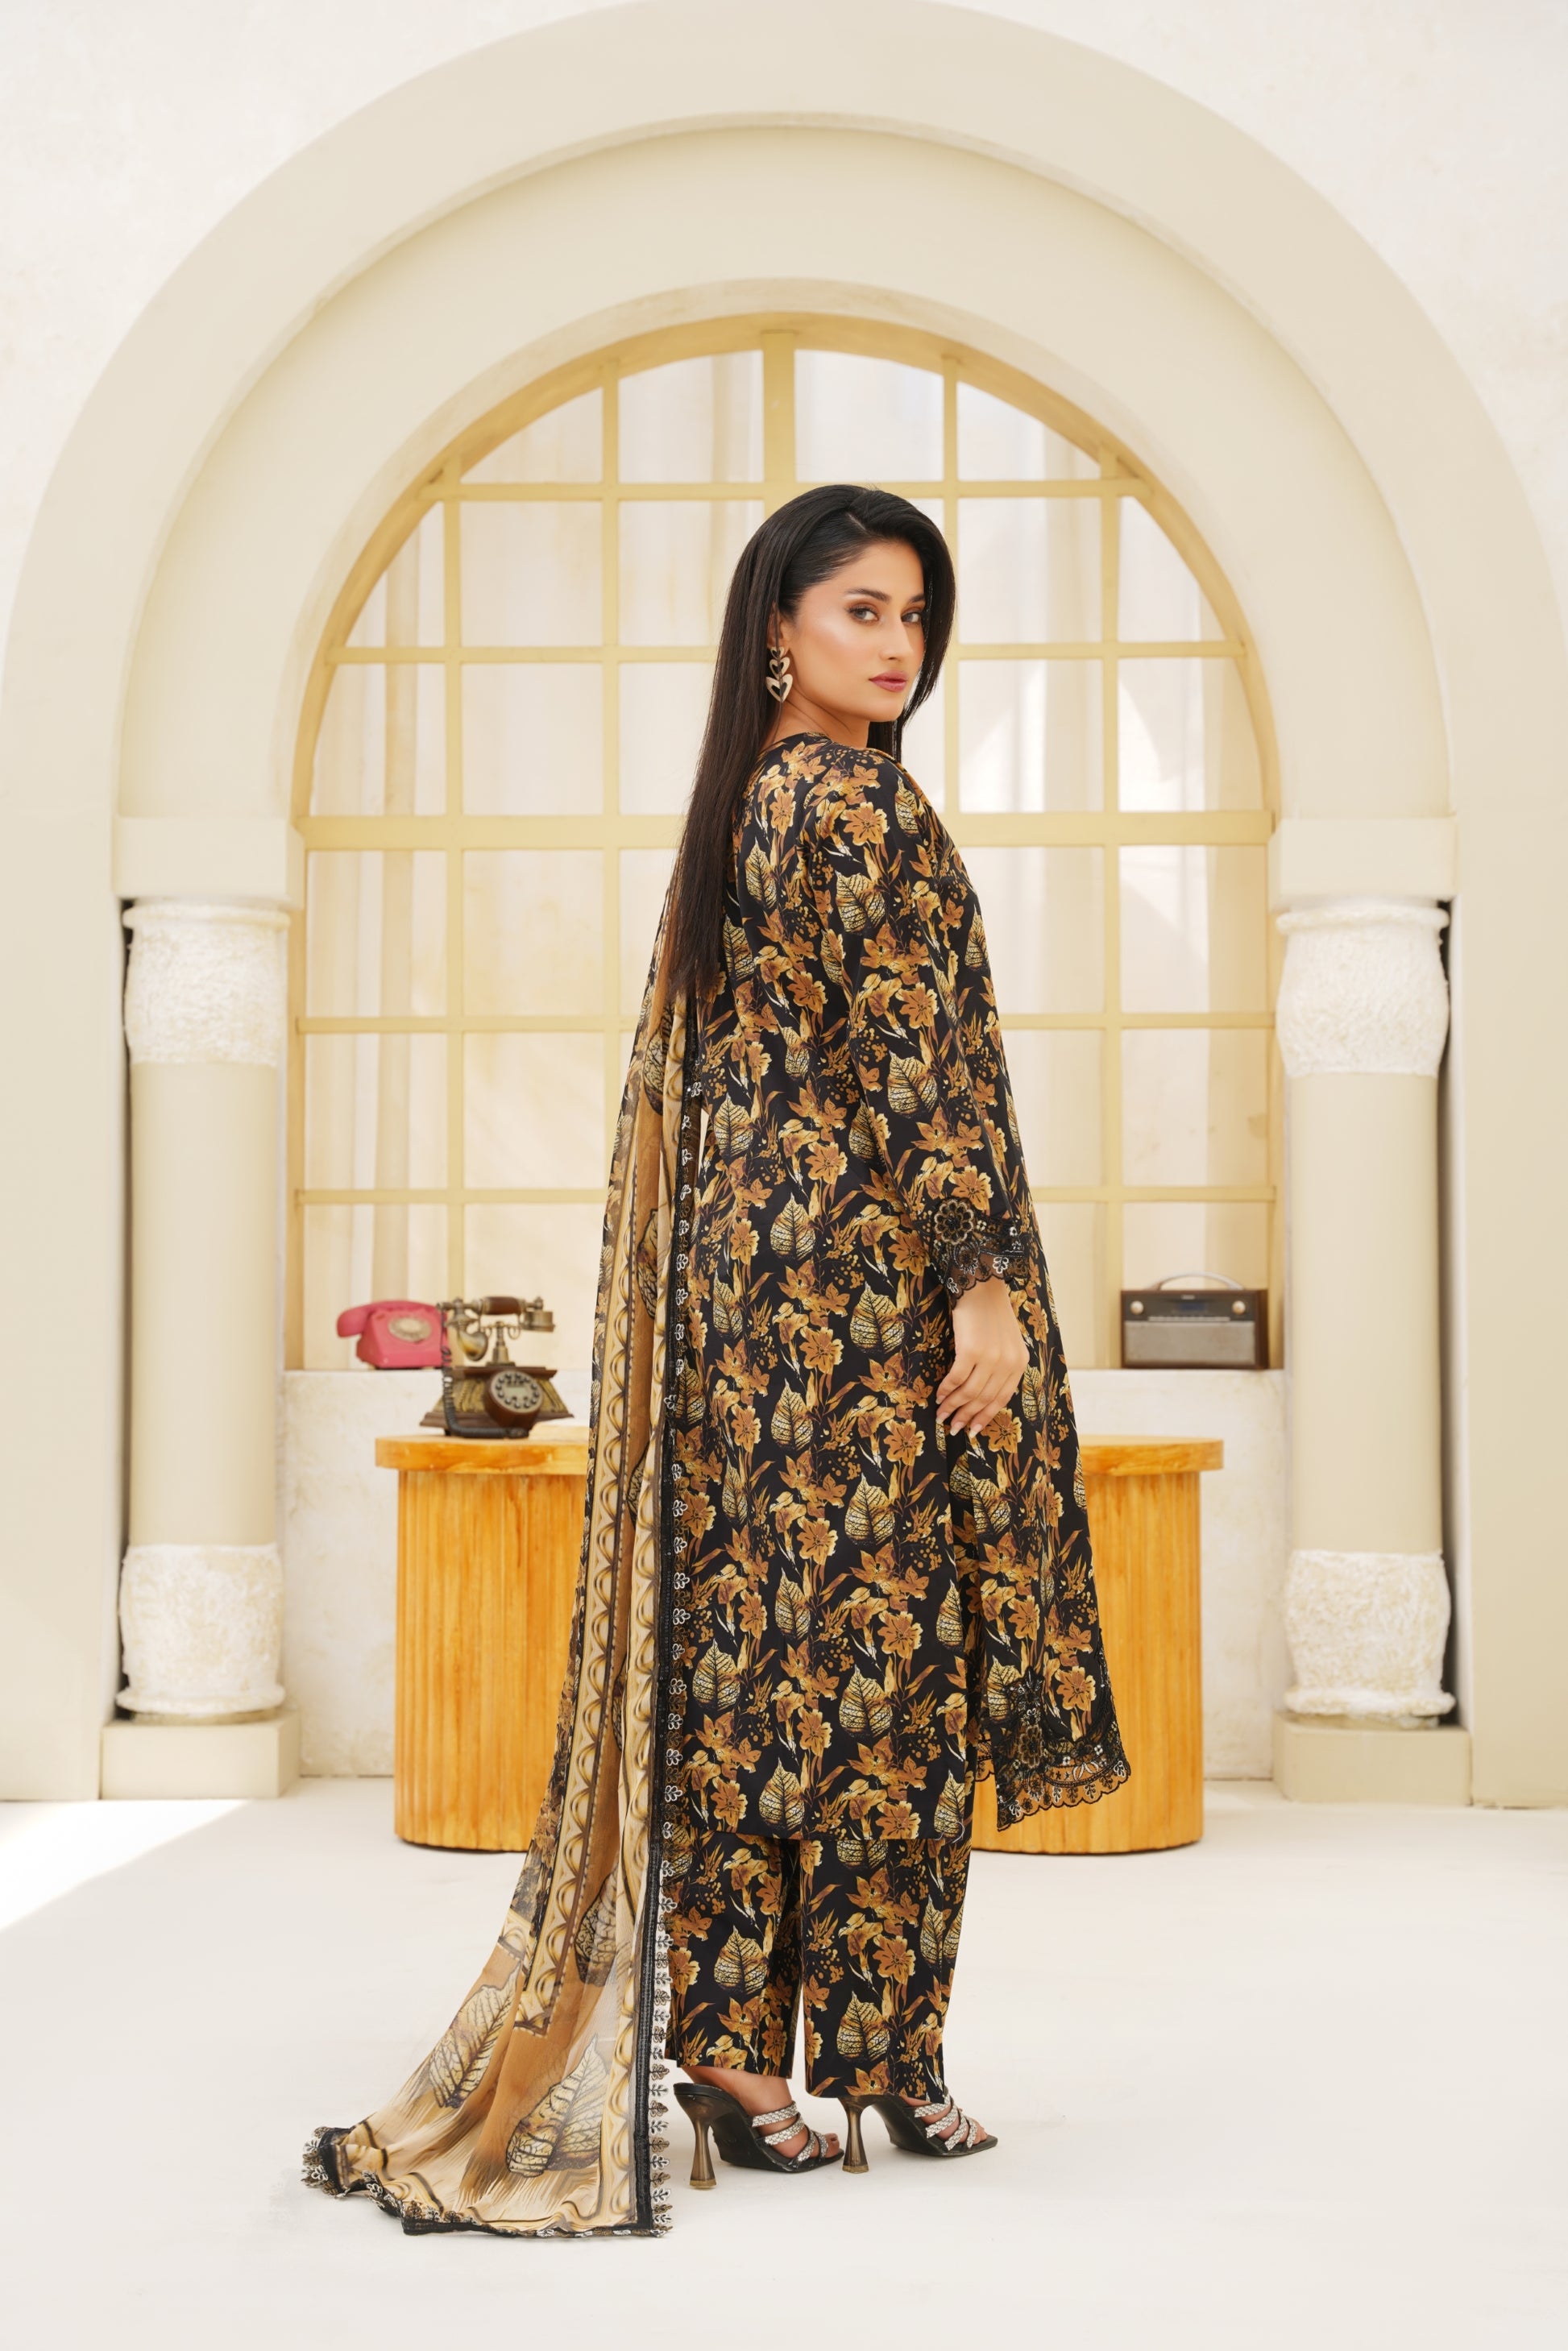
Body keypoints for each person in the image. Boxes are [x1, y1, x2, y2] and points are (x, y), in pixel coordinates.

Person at [303, 484, 1126, 2239]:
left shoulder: (758, 798)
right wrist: (983, 1288)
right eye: (860, 610)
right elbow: (913, 1061)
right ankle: (848, 2057)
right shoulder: (836, 799)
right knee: (882, 1685)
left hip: (756, 1307)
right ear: (778, 628)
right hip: (859, 1304)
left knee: (769, 1675)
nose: (896, 643)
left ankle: (786, 2062)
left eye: (914, 613)